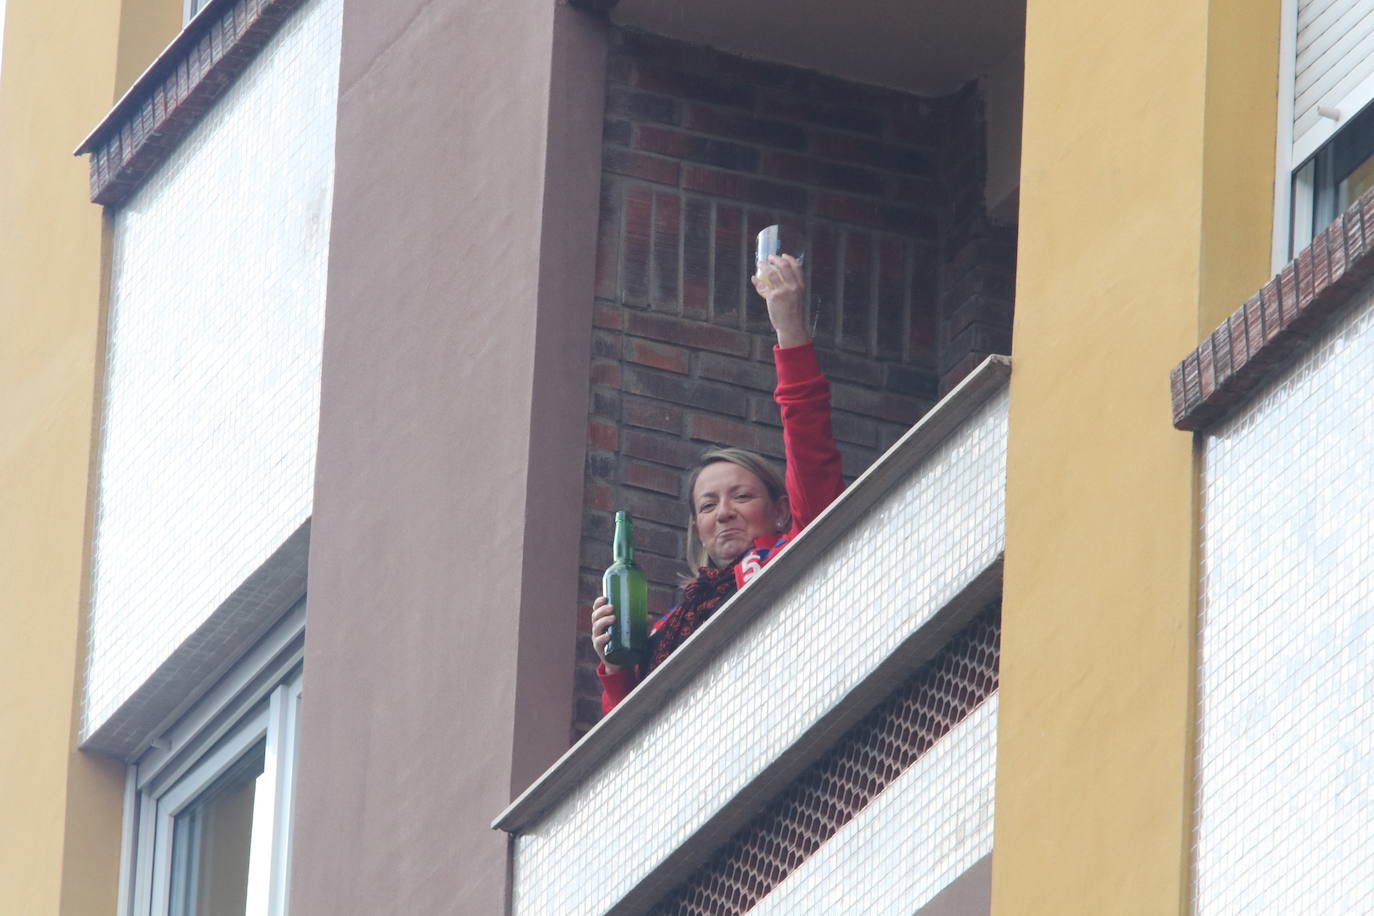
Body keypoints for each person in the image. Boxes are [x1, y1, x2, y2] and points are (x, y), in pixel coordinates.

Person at [592, 253, 844, 713]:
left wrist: (790, 331)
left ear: (783, 509)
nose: (723, 512)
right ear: (696, 528)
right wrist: (616, 665)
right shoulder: (665, 630)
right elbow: (626, 740)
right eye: (707, 506)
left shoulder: (793, 551)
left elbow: (808, 442)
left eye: (742, 496)